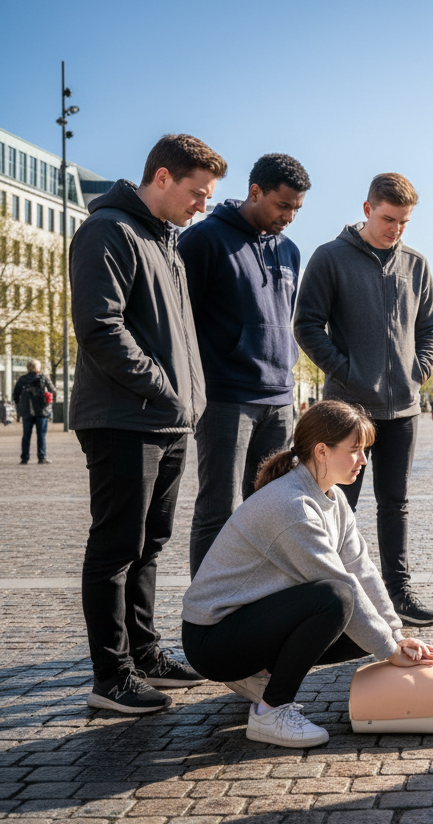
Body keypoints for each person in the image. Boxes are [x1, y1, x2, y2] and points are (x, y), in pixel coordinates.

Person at [182, 400, 433, 748]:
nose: (364, 461)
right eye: (354, 451)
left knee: (361, 623)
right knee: (335, 600)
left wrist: (394, 637)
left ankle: (257, 675)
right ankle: (271, 713)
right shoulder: (292, 506)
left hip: (244, 626)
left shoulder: (332, 498)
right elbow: (340, 583)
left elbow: (362, 570)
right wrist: (388, 649)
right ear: (322, 451)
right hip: (212, 639)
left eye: (364, 450)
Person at [69, 135, 228, 713]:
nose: (202, 206)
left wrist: (193, 396)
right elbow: (100, 327)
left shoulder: (167, 241)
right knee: (115, 547)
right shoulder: (108, 231)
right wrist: (166, 390)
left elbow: (181, 336)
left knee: (150, 543)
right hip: (122, 419)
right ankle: (110, 676)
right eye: (196, 193)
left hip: (167, 420)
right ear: (162, 177)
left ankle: (144, 652)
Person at [294, 173, 433, 627]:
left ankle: (398, 592)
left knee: (394, 503)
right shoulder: (331, 258)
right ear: (366, 209)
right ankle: (342, 593)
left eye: (403, 221)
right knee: (339, 502)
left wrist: (418, 370)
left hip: (402, 410)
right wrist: (349, 372)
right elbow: (307, 326)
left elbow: (431, 328)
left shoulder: (416, 264)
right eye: (388, 218)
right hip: (347, 412)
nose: (395, 228)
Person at [179, 154, 311, 577]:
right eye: (282, 205)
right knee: (219, 508)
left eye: (297, 208)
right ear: (255, 192)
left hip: (279, 399)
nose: (289, 217)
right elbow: (183, 323)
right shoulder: (203, 241)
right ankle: (206, 613)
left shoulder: (290, 251)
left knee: (274, 509)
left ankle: (257, 603)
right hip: (225, 398)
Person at [13, 359, 54, 464]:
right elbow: (53, 391)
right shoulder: (43, 378)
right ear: (38, 368)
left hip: (27, 411)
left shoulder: (22, 379)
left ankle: (24, 458)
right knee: (41, 435)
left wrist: (20, 406)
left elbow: (15, 395)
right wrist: (48, 399)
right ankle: (42, 457)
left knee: (26, 435)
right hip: (41, 411)